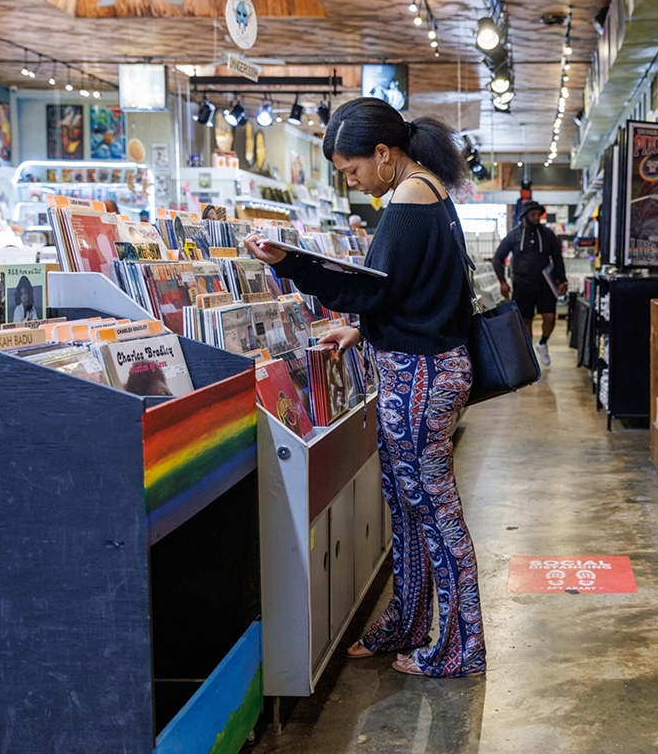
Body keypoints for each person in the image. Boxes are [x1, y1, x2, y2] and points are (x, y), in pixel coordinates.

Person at [243, 97, 485, 679]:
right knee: (408, 506)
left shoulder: (409, 196)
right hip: (421, 368)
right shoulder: (428, 192)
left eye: (352, 170)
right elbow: (408, 292)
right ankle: (409, 621)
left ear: (384, 155)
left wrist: (291, 264)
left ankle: (461, 646)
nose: (352, 183)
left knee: (432, 511)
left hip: (422, 376)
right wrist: (361, 331)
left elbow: (373, 289)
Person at [492, 200, 567, 366]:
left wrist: (562, 279)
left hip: (545, 283)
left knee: (550, 317)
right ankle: (530, 357)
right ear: (524, 216)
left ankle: (543, 343)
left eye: (538, 215)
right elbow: (497, 259)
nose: (536, 218)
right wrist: (503, 282)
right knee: (526, 320)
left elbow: (557, 258)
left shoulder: (548, 234)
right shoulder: (513, 235)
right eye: (533, 215)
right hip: (521, 283)